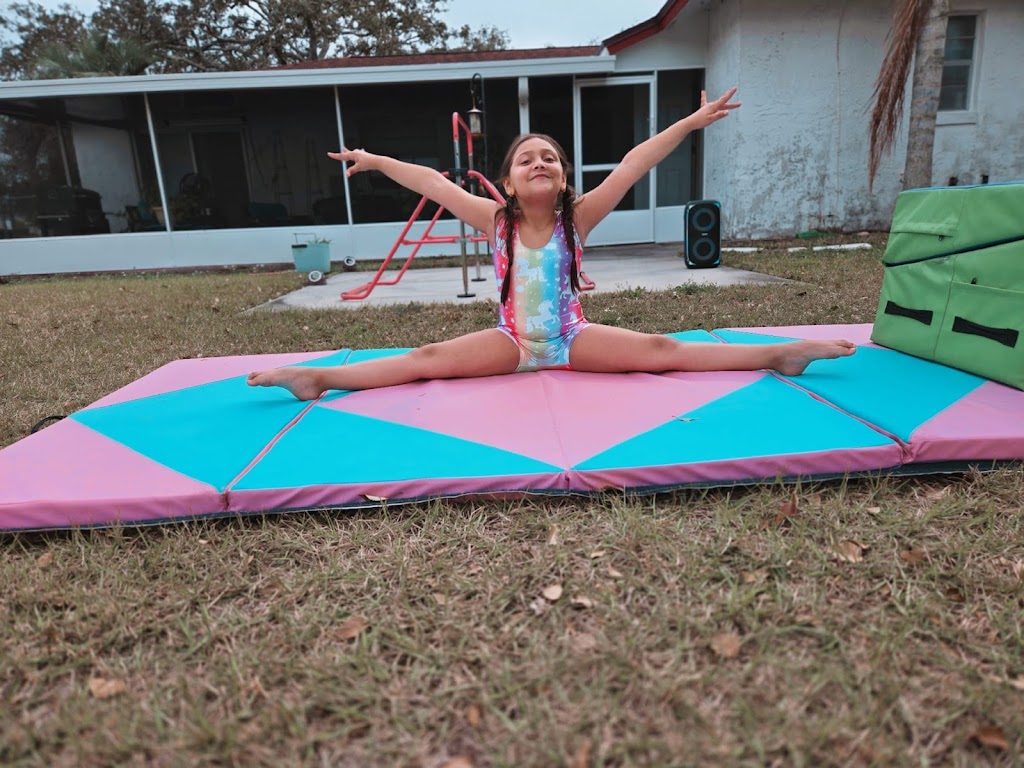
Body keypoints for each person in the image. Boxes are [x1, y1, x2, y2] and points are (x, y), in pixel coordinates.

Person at [248, 87, 855, 401]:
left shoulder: (578, 217)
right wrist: (378, 160)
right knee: (425, 358)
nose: (539, 162)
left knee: (663, 347)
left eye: (550, 158)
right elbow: (434, 183)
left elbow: (634, 162)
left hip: (573, 338)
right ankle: (319, 379)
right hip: (510, 341)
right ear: (509, 182)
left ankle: (777, 355)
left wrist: (690, 123)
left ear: (563, 178)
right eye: (525, 159)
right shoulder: (495, 220)